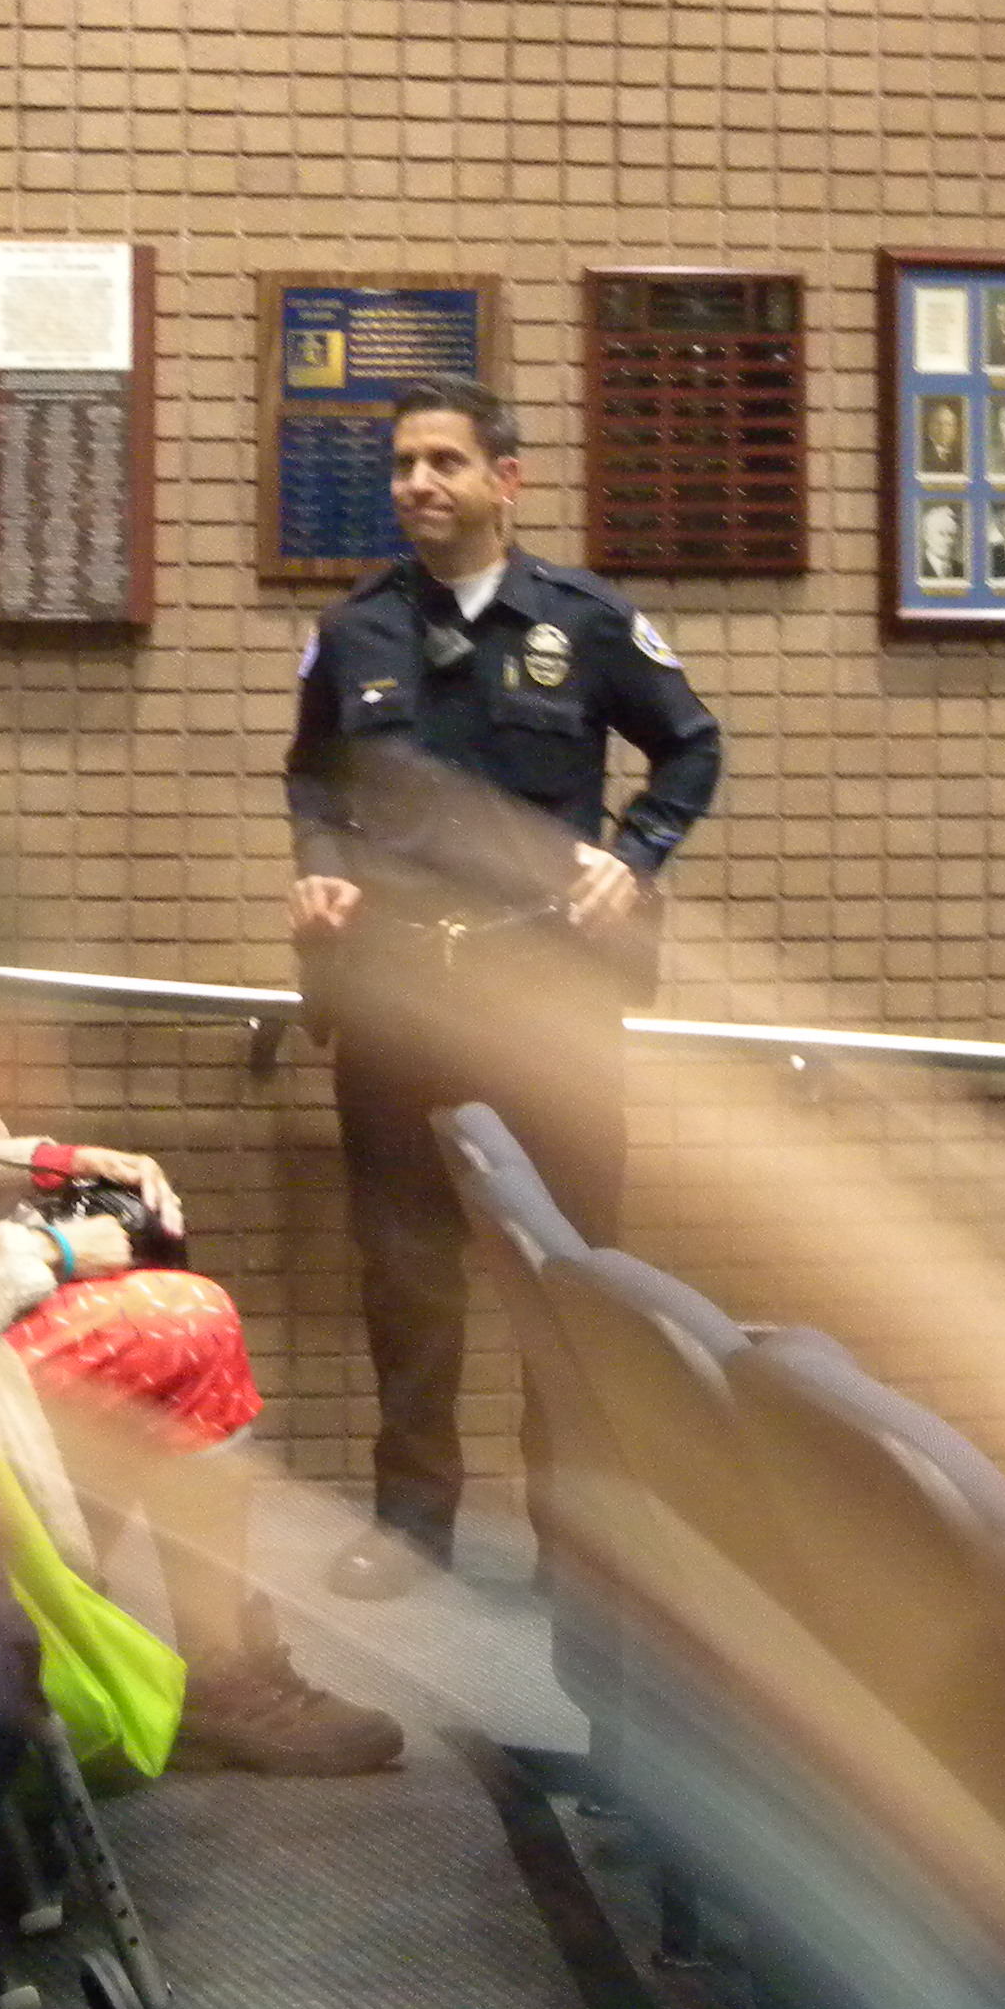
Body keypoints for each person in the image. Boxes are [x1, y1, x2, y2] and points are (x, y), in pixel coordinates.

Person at [283, 376, 720, 1595]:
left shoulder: (584, 621)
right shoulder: (357, 629)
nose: (417, 483)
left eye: (444, 462)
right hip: (401, 1000)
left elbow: (691, 744)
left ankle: (577, 1540)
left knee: (569, 1272)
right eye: (403, 465)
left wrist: (635, 859)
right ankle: (413, 1523)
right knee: (406, 1272)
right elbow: (313, 779)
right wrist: (321, 865)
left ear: (505, 480)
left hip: (546, 1002)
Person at [0, 1110, 402, 1775]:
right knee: (186, 1323)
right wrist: (54, 1248)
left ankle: (200, 1660)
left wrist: (57, 1162)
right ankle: (182, 1667)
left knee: (184, 1328)